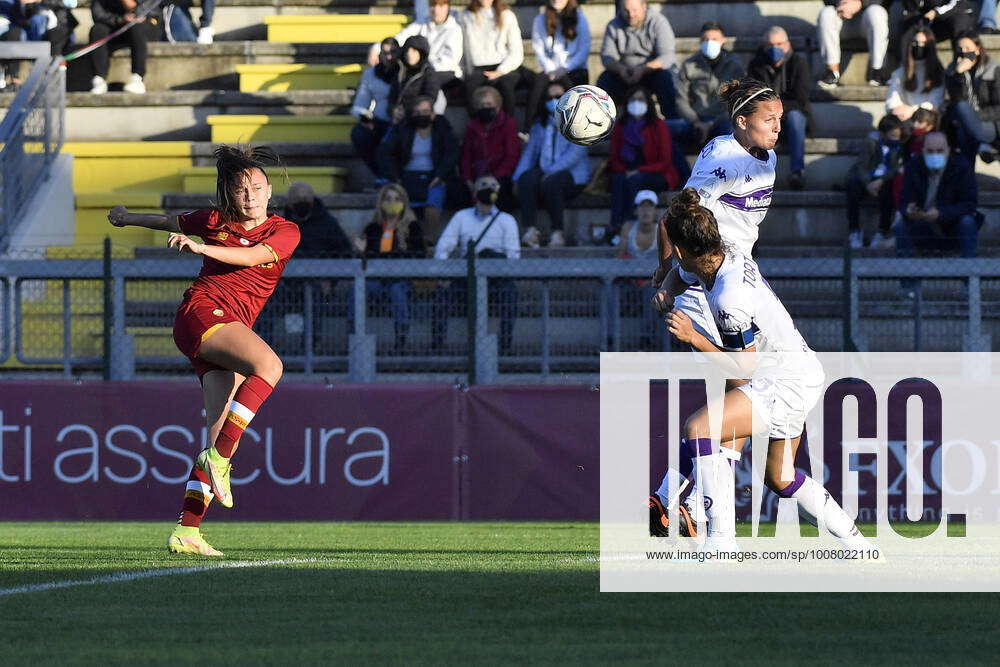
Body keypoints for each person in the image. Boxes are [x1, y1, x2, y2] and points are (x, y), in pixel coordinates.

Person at [648, 188, 873, 554]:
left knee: (699, 428)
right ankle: (857, 544)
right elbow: (681, 274)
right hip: (801, 369)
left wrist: (694, 337)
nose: (673, 254)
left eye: (674, 247)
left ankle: (720, 543)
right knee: (780, 477)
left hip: (783, 381)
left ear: (685, 250)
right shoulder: (724, 257)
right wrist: (669, 291)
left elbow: (744, 372)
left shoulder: (728, 300)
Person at [107, 146, 300, 557]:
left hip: (227, 327)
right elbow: (168, 221)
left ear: (269, 193)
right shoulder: (216, 220)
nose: (249, 196)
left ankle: (187, 529)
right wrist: (127, 218)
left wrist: (201, 249)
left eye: (256, 188)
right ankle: (220, 459)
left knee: (218, 431)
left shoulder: (285, 231)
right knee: (269, 365)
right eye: (240, 189)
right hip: (201, 313)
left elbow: (249, 257)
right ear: (231, 194)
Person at [649, 77, 781, 529]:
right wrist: (669, 273)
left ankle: (671, 498)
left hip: (738, 278)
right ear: (742, 122)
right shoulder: (724, 157)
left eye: (780, 119)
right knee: (744, 389)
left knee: (740, 401)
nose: (778, 127)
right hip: (711, 283)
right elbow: (679, 215)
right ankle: (691, 504)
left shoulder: (768, 157)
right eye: (769, 120)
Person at [432, 175, 520, 354]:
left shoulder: (507, 220)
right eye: (484, 184)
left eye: (494, 185)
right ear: (474, 191)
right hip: (467, 277)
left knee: (511, 294)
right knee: (442, 295)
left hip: (497, 277)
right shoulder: (461, 217)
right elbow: (444, 246)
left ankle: (505, 346)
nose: (489, 188)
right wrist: (443, 273)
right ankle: (438, 345)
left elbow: (513, 255)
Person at [512, 79, 590, 248]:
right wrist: (517, 177)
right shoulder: (540, 125)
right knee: (526, 179)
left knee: (552, 183)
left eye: (559, 96)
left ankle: (557, 232)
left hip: (571, 176)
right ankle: (530, 231)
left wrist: (551, 172)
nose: (554, 100)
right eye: (550, 97)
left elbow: (575, 154)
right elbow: (529, 154)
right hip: (545, 171)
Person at [377, 95, 459, 241]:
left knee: (433, 204)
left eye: (425, 111)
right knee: (399, 201)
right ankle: (405, 241)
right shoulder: (403, 128)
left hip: (434, 177)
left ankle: (429, 240)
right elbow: (385, 152)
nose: (421, 116)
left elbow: (451, 153)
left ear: (433, 114)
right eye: (417, 112)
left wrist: (440, 176)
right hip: (406, 176)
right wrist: (396, 177)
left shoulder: (442, 127)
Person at [358, 184, 426, 353]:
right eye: (388, 199)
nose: (392, 202)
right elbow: (366, 258)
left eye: (396, 199)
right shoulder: (372, 228)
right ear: (381, 203)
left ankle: (401, 340)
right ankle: (354, 337)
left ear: (404, 203)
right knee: (358, 289)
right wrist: (361, 250)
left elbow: (419, 255)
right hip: (377, 282)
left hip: (403, 282)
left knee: (397, 290)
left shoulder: (412, 228)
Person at [607, 85, 679, 239]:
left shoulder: (658, 125)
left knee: (634, 180)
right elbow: (614, 159)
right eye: (633, 100)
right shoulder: (620, 125)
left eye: (640, 100)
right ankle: (615, 226)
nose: (636, 103)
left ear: (648, 103)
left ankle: (628, 225)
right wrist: (624, 171)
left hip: (656, 173)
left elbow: (665, 162)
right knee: (618, 180)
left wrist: (639, 171)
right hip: (627, 172)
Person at [895, 131, 980, 257]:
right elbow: (904, 199)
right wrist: (909, 209)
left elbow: (969, 204)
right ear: (923, 151)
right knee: (901, 223)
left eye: (940, 151)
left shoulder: (961, 167)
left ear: (948, 151)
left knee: (967, 222)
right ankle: (907, 273)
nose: (935, 155)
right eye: (930, 151)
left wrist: (941, 213)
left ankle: (971, 271)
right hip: (922, 224)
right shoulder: (913, 166)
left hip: (951, 224)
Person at [748, 26, 811, 189]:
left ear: (788, 44)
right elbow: (753, 98)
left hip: (791, 115)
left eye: (779, 44)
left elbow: (801, 99)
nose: (774, 48)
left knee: (796, 118)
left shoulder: (799, 64)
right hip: (766, 117)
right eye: (770, 45)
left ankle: (798, 172)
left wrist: (776, 111)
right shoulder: (756, 65)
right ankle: (755, 174)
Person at [671, 22, 745, 149]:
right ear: (700, 42)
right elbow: (680, 99)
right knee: (666, 130)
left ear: (723, 40)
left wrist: (713, 123)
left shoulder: (734, 66)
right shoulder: (689, 65)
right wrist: (695, 121)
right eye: (705, 39)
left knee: (732, 133)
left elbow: (739, 101)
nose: (709, 43)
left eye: (714, 39)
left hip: (723, 121)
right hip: (694, 120)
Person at [597, 0, 677, 117]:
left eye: (635, 10)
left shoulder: (658, 22)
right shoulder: (613, 25)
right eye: (626, 10)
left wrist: (643, 69)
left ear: (644, 6)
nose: (631, 15)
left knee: (665, 78)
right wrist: (621, 70)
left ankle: (672, 121)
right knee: (605, 80)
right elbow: (607, 57)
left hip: (652, 72)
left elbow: (667, 57)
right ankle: (604, 121)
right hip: (624, 73)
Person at [525, 0, 591, 126]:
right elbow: (539, 49)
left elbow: (584, 50)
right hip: (550, 70)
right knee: (538, 84)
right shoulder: (540, 20)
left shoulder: (580, 19)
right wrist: (551, 69)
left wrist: (565, 68)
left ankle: (577, 126)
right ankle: (529, 128)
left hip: (574, 69)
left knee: (572, 88)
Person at [845, 114, 906, 248]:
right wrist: (868, 184)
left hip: (884, 179)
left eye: (897, 136)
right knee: (853, 189)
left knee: (887, 193)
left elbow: (895, 168)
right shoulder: (870, 142)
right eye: (892, 136)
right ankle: (854, 230)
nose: (896, 139)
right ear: (882, 134)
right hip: (867, 177)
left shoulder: (898, 146)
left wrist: (881, 180)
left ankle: (883, 230)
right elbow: (862, 166)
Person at [614, 190, 663, 351]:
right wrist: (633, 278)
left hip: (653, 283)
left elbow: (666, 263)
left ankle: (647, 341)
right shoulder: (628, 228)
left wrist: (650, 281)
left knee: (651, 294)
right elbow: (620, 257)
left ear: (655, 210)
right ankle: (610, 338)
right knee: (611, 291)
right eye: (642, 207)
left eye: (649, 207)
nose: (646, 211)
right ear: (636, 210)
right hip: (630, 281)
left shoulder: (662, 231)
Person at [459, 0, 524, 119]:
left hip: (504, 67)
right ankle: (478, 131)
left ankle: (509, 127)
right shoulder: (465, 16)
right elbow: (462, 48)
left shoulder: (507, 15)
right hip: (479, 68)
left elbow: (516, 51)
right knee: (469, 87)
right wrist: (465, 72)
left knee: (506, 86)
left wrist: (500, 71)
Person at [460, 85, 521, 210]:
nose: (485, 108)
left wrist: (493, 177)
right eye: (481, 105)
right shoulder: (472, 126)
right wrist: (468, 179)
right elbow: (466, 156)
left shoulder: (508, 123)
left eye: (489, 104)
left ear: (497, 106)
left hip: (500, 175)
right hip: (478, 174)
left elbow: (512, 155)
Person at [945, 30, 1000, 163]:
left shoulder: (994, 70)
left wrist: (976, 116)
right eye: (960, 49)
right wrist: (959, 74)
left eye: (968, 48)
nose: (964, 52)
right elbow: (955, 100)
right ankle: (981, 147)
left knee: (964, 127)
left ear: (978, 49)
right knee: (963, 127)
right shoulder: (952, 71)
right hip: (963, 122)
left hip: (990, 122)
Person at [387, 0, 463, 94]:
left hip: (447, 75)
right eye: (433, 6)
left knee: (423, 81)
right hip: (424, 73)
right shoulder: (422, 23)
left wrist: (424, 69)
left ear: (447, 7)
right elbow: (400, 38)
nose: (436, 10)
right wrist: (376, 49)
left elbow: (449, 62)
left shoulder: (455, 30)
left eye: (441, 6)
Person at [88, 0, 163, 94]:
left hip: (146, 22)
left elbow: (146, 10)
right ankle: (99, 79)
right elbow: (98, 14)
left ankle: (137, 78)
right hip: (116, 22)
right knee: (97, 30)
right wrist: (120, 19)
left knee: (136, 27)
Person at [351, 37, 400, 181]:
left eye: (393, 52)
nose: (389, 57)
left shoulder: (404, 72)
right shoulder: (370, 74)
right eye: (385, 53)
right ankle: (380, 176)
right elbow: (359, 105)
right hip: (379, 121)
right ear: (380, 56)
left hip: (401, 122)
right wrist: (365, 117)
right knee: (360, 134)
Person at [816, 0, 891, 89]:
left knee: (877, 12)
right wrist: (842, 2)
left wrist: (860, 3)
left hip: (867, 17)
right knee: (827, 13)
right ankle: (832, 72)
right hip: (842, 15)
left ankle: (878, 72)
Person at [885, 28, 946, 121]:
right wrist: (899, 109)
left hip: (927, 118)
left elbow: (935, 102)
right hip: (904, 116)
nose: (919, 46)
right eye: (915, 42)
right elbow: (892, 98)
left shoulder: (938, 72)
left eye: (923, 43)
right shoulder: (900, 72)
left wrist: (913, 111)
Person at [899, 0, 976, 61]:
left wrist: (935, 12)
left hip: (956, 15)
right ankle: (908, 68)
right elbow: (912, 7)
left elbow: (955, 3)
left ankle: (961, 65)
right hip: (932, 20)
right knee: (910, 28)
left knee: (958, 23)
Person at [391, 34, 445, 114]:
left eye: (414, 51)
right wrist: (393, 110)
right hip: (399, 117)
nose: (409, 55)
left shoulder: (428, 72)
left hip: (419, 118)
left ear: (422, 53)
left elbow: (430, 97)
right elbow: (392, 95)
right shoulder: (400, 71)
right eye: (407, 51)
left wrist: (408, 110)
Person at [0, 0, 77, 55]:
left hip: (56, 29)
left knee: (38, 20)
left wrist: (39, 1)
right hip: (28, 29)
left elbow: (72, 3)